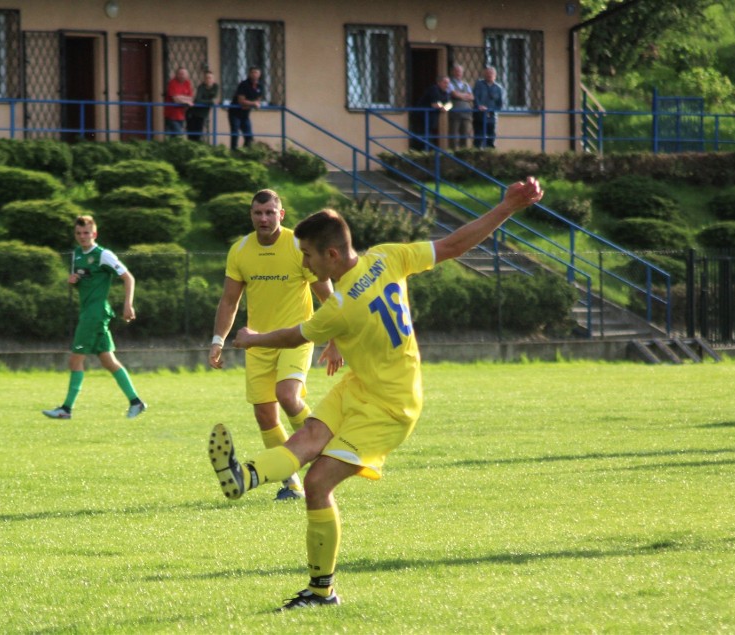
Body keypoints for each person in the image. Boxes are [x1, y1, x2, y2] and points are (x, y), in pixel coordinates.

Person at [207, 177, 545, 610]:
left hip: (390, 406)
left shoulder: (340, 307)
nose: (306, 266)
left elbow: (294, 336)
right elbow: (455, 245)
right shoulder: (386, 256)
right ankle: (245, 476)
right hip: (359, 385)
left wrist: (252, 339)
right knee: (305, 438)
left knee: (316, 482)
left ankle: (320, 592)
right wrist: (507, 207)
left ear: (330, 254)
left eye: (308, 257)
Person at [209, 189, 342, 501]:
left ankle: (324, 445)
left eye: (270, 213)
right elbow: (229, 301)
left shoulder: (300, 246)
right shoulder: (240, 250)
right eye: (258, 213)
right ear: (251, 215)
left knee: (287, 394)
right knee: (265, 416)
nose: (264, 219)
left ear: (281, 214)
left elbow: (328, 296)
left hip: (297, 336)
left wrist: (335, 340)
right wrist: (218, 341)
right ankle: (291, 483)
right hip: (258, 343)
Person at [43, 215, 147, 420]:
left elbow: (128, 277)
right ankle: (136, 402)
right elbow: (83, 280)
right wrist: (73, 281)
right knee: (109, 361)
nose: (83, 237)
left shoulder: (103, 254)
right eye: (79, 233)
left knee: (75, 360)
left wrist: (128, 305)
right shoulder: (76, 255)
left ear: (94, 234)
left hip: (95, 314)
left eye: (86, 233)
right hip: (90, 312)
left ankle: (66, 409)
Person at [412, 75, 451, 151]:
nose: (447, 85)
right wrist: (442, 107)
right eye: (445, 83)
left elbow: (449, 104)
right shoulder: (434, 89)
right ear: (439, 83)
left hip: (431, 119)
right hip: (421, 118)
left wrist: (445, 107)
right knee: (423, 138)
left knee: (428, 137)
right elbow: (435, 104)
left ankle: (429, 154)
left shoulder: (445, 92)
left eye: (448, 83)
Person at [228, 67, 263, 151]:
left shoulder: (260, 86)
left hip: (245, 113)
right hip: (235, 113)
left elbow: (258, 100)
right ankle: (233, 152)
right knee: (235, 134)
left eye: (256, 73)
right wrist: (252, 104)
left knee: (249, 136)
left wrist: (251, 104)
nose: (255, 74)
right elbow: (241, 101)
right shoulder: (244, 84)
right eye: (253, 72)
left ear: (260, 74)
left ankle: (245, 153)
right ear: (249, 74)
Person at [473, 66, 504, 149]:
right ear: (484, 74)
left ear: (495, 75)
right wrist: (479, 106)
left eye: (491, 73)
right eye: (487, 73)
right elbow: (475, 97)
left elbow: (500, 104)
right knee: (478, 138)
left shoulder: (498, 88)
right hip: (479, 116)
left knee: (491, 138)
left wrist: (490, 109)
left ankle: (490, 156)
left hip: (492, 117)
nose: (489, 75)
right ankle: (477, 156)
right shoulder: (479, 84)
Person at [187, 70, 219, 143]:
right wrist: (209, 101)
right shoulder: (201, 87)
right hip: (193, 112)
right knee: (191, 135)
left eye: (210, 78)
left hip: (202, 114)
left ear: (213, 79)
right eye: (206, 78)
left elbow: (215, 98)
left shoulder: (215, 87)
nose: (208, 79)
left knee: (198, 134)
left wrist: (208, 101)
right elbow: (198, 100)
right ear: (204, 79)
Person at [448, 63, 474, 150]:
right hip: (455, 112)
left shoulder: (465, 84)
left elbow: (471, 97)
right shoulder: (450, 83)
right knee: (454, 135)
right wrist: (465, 96)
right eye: (457, 71)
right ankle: (453, 154)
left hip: (466, 113)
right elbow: (454, 94)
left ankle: (464, 153)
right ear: (453, 72)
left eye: (460, 71)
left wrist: (461, 95)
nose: (458, 73)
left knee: (465, 135)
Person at [164, 67, 194, 138]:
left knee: (173, 137)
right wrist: (185, 99)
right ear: (176, 74)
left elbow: (191, 98)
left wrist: (180, 97)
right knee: (178, 135)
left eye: (183, 74)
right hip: (171, 114)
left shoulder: (187, 83)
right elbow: (175, 99)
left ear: (187, 75)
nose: (182, 75)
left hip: (181, 114)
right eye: (180, 74)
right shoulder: (172, 83)